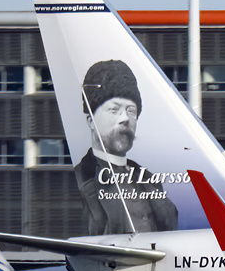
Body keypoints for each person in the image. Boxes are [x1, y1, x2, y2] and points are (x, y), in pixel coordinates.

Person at [71, 60, 179, 234]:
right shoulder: (79, 180)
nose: (125, 119)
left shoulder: (149, 180)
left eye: (131, 111)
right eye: (114, 110)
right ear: (91, 121)